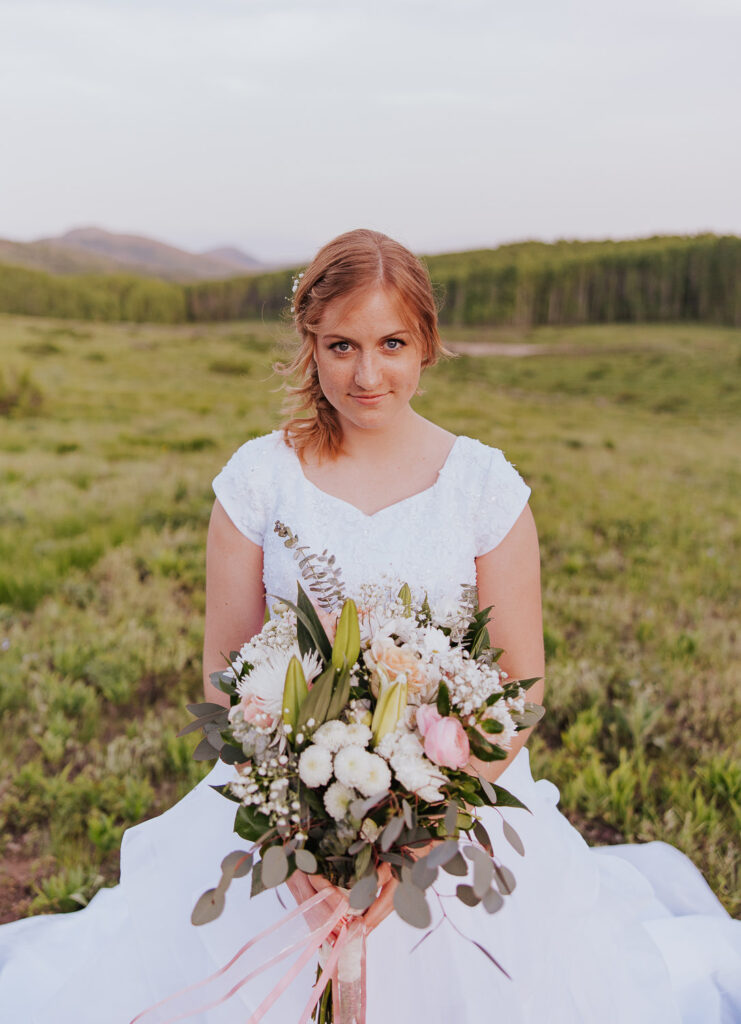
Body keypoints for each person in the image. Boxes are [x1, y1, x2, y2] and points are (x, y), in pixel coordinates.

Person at [0, 228, 739, 1023]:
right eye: (340, 344)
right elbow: (224, 663)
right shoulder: (258, 481)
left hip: (453, 802)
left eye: (390, 342)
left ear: (425, 342)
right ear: (308, 345)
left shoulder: (483, 487)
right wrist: (294, 830)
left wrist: (419, 835)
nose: (366, 373)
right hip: (280, 799)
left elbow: (520, 679)